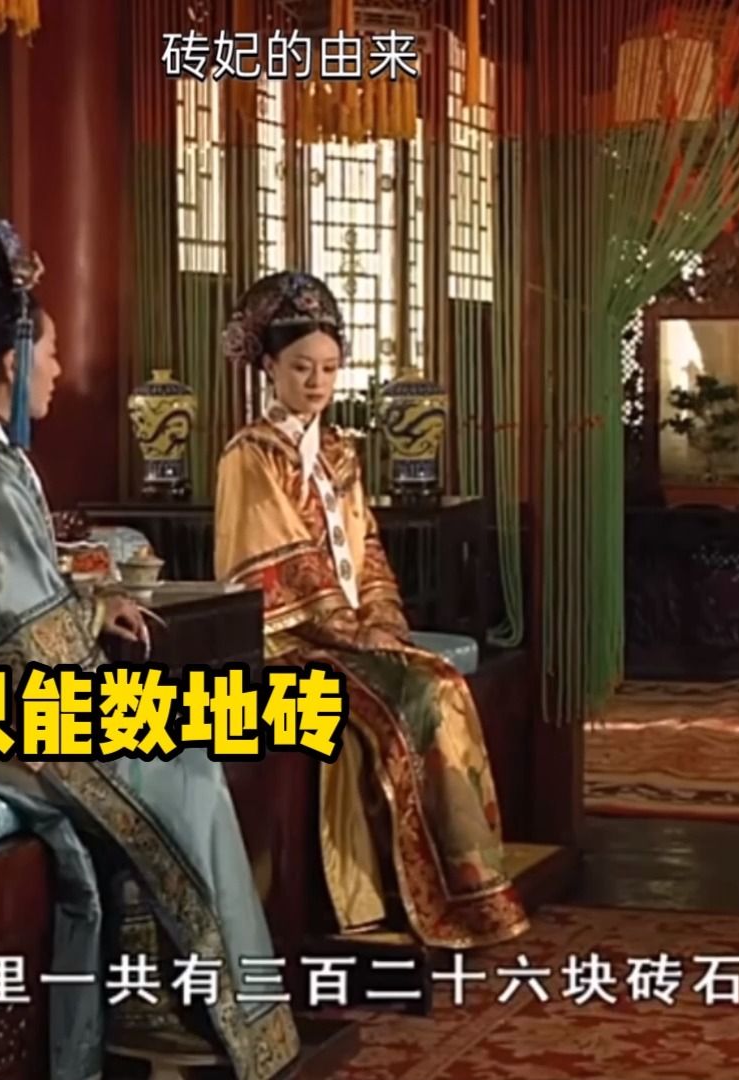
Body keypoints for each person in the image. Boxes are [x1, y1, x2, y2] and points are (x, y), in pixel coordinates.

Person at [0, 206, 299, 1080]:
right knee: (185, 771)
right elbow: (24, 633)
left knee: (179, 748)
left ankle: (157, 999)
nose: (59, 368)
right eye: (49, 352)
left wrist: (90, 600)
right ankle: (230, 1023)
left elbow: (18, 598)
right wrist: (82, 621)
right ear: (11, 361)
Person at [213, 271, 529, 951]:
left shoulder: (338, 451)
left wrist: (382, 618)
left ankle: (468, 882)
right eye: (302, 367)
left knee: (442, 684)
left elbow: (369, 549)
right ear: (270, 367)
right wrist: (350, 630)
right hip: (292, 639)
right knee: (422, 693)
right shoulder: (249, 454)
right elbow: (271, 563)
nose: (317, 382)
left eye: (329, 368)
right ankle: (437, 887)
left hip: (352, 633)